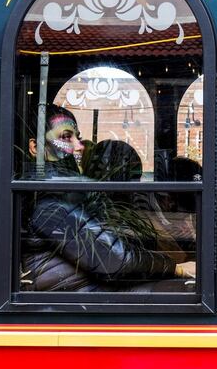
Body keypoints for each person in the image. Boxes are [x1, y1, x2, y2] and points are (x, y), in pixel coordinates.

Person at [20, 104, 196, 292]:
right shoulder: (50, 202)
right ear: (35, 147)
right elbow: (113, 259)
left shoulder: (64, 193)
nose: (80, 146)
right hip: (76, 300)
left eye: (77, 137)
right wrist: (175, 268)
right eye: (66, 137)